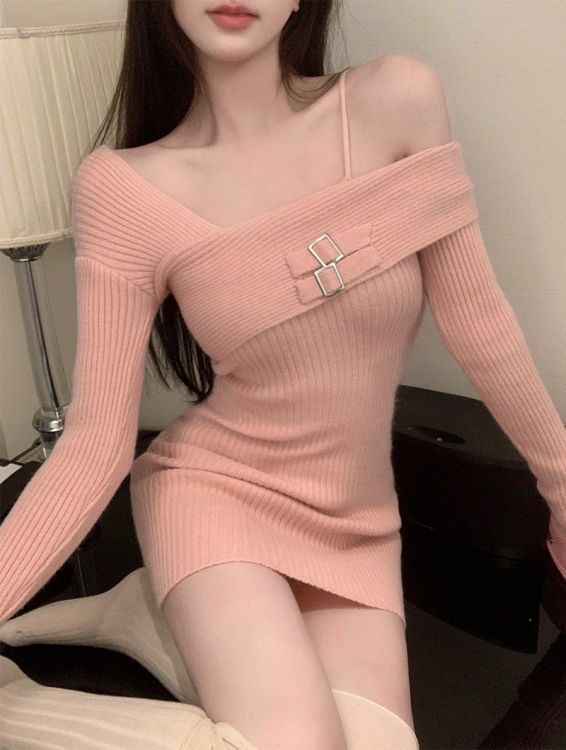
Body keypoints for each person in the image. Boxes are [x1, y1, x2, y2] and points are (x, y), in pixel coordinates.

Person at [1, 1, 565, 748]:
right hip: (215, 494)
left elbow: (480, 323)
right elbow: (94, 444)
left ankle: (148, 619)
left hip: (355, 521)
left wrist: (563, 490)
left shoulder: (395, 101)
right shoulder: (123, 187)